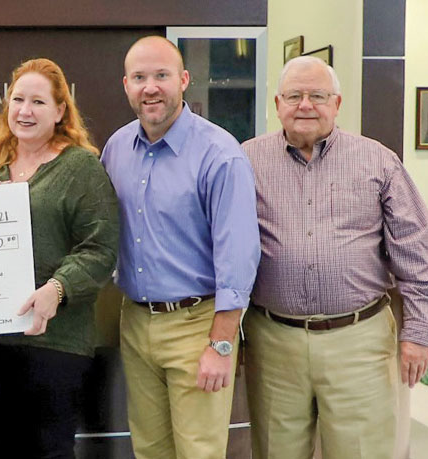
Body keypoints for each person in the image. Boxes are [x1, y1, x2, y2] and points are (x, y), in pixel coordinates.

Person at [241, 56, 428, 459]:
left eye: (318, 95)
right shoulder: (246, 161)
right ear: (277, 104)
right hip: (273, 342)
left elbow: (416, 250)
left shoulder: (377, 160)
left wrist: (418, 333)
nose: (305, 105)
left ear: (337, 103)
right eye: (294, 96)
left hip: (359, 340)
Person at [101, 36, 261, 459]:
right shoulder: (117, 148)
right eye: (139, 77)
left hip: (198, 324)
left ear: (184, 80)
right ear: (126, 85)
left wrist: (221, 344)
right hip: (136, 322)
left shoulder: (219, 154)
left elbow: (238, 256)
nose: (150, 87)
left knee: (199, 452)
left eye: (161, 75)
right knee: (150, 450)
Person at [0, 57, 120, 459]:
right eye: (18, 100)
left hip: (55, 341)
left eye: (38, 102)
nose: (25, 111)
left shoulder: (81, 168)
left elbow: (100, 247)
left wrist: (58, 288)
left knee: (50, 449)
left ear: (60, 111)